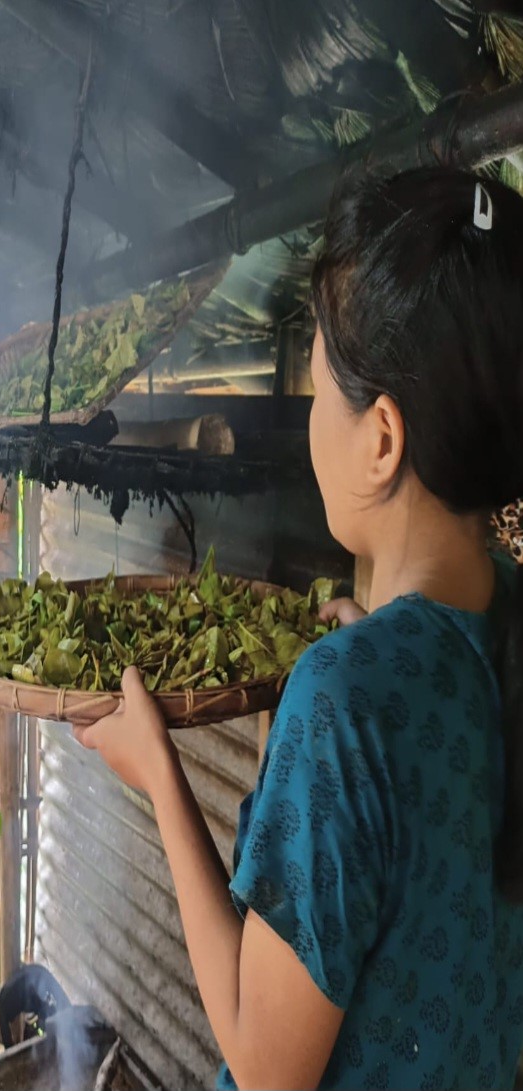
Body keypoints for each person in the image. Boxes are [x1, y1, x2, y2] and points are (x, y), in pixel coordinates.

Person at [75, 165, 523, 1090]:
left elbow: (264, 1062)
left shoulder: (344, 700)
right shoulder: (501, 615)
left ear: (382, 439)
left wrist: (160, 774)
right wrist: (375, 648)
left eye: (320, 389)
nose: (313, 414)